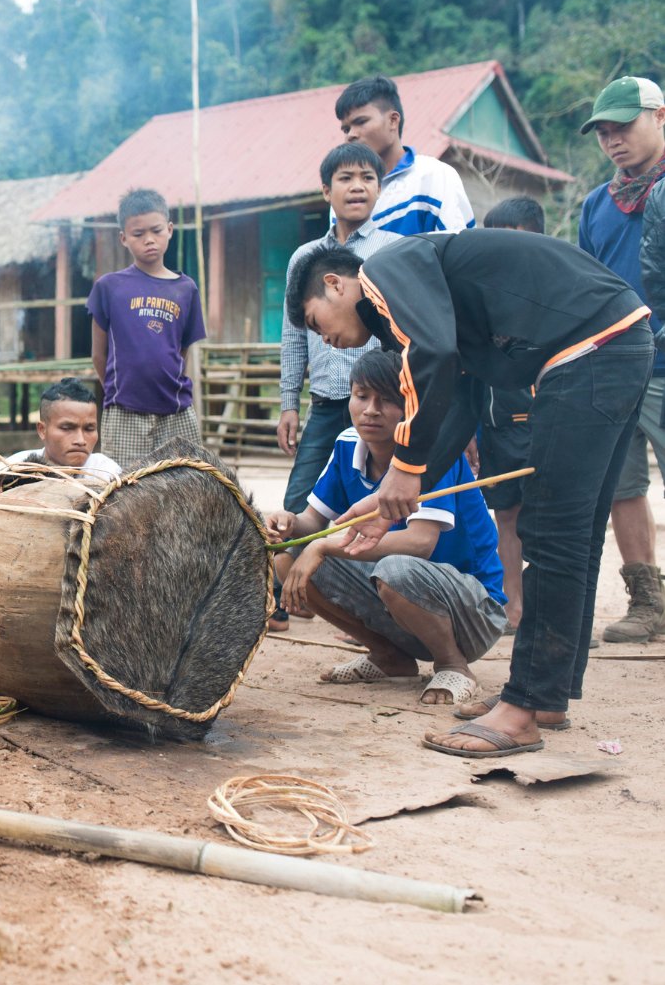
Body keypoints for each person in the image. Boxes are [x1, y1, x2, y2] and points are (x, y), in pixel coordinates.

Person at [285, 228, 652, 756]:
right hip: (614, 341)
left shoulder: (384, 274)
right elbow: (461, 402)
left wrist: (406, 467)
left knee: (551, 533)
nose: (323, 339)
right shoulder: (423, 303)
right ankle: (545, 696)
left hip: (589, 349)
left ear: (337, 285)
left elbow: (432, 355)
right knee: (576, 535)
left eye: (316, 322)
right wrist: (395, 500)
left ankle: (522, 710)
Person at [267, 351, 506, 705]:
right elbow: (311, 523)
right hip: (401, 606)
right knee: (290, 558)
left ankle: (453, 665)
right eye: (362, 396)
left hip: (472, 612)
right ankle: (388, 656)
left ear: (411, 408)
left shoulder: (434, 450)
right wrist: (287, 523)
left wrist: (326, 546)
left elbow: (421, 542)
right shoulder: (348, 444)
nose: (371, 410)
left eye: (388, 400)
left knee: (395, 569)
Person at [273, 144, 401, 632]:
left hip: (381, 402)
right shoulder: (304, 259)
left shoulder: (390, 251)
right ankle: (282, 599)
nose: (358, 187)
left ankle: (370, 607)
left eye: (368, 178)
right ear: (326, 190)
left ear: (379, 187)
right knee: (299, 502)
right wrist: (290, 401)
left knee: (381, 498)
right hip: (327, 401)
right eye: (346, 178)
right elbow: (293, 333)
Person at [577, 77, 665, 643]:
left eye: (623, 127)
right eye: (604, 132)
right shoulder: (595, 205)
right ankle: (648, 601)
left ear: (660, 117)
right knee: (622, 484)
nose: (613, 141)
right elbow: (584, 287)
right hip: (615, 363)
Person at [89, 188, 206, 465]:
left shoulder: (186, 289)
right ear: (123, 238)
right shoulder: (109, 287)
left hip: (176, 410)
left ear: (169, 229)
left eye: (156, 230)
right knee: (124, 489)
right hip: (124, 411)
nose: (149, 240)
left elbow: (183, 350)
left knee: (185, 485)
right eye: (138, 234)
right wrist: (120, 391)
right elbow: (98, 354)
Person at [474, 196, 547, 633]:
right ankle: (512, 606)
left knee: (548, 518)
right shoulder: (482, 299)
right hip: (497, 428)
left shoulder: (552, 293)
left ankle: (547, 609)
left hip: (542, 423)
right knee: (507, 515)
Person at [336, 75, 474, 235]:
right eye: (346, 129)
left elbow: (455, 251)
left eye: (360, 122)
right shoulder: (343, 196)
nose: (351, 135)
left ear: (393, 121)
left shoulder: (433, 176)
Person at [5, 377, 123, 481]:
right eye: (67, 428)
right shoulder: (13, 471)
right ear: (42, 430)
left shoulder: (108, 474)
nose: (81, 440)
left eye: (89, 429)